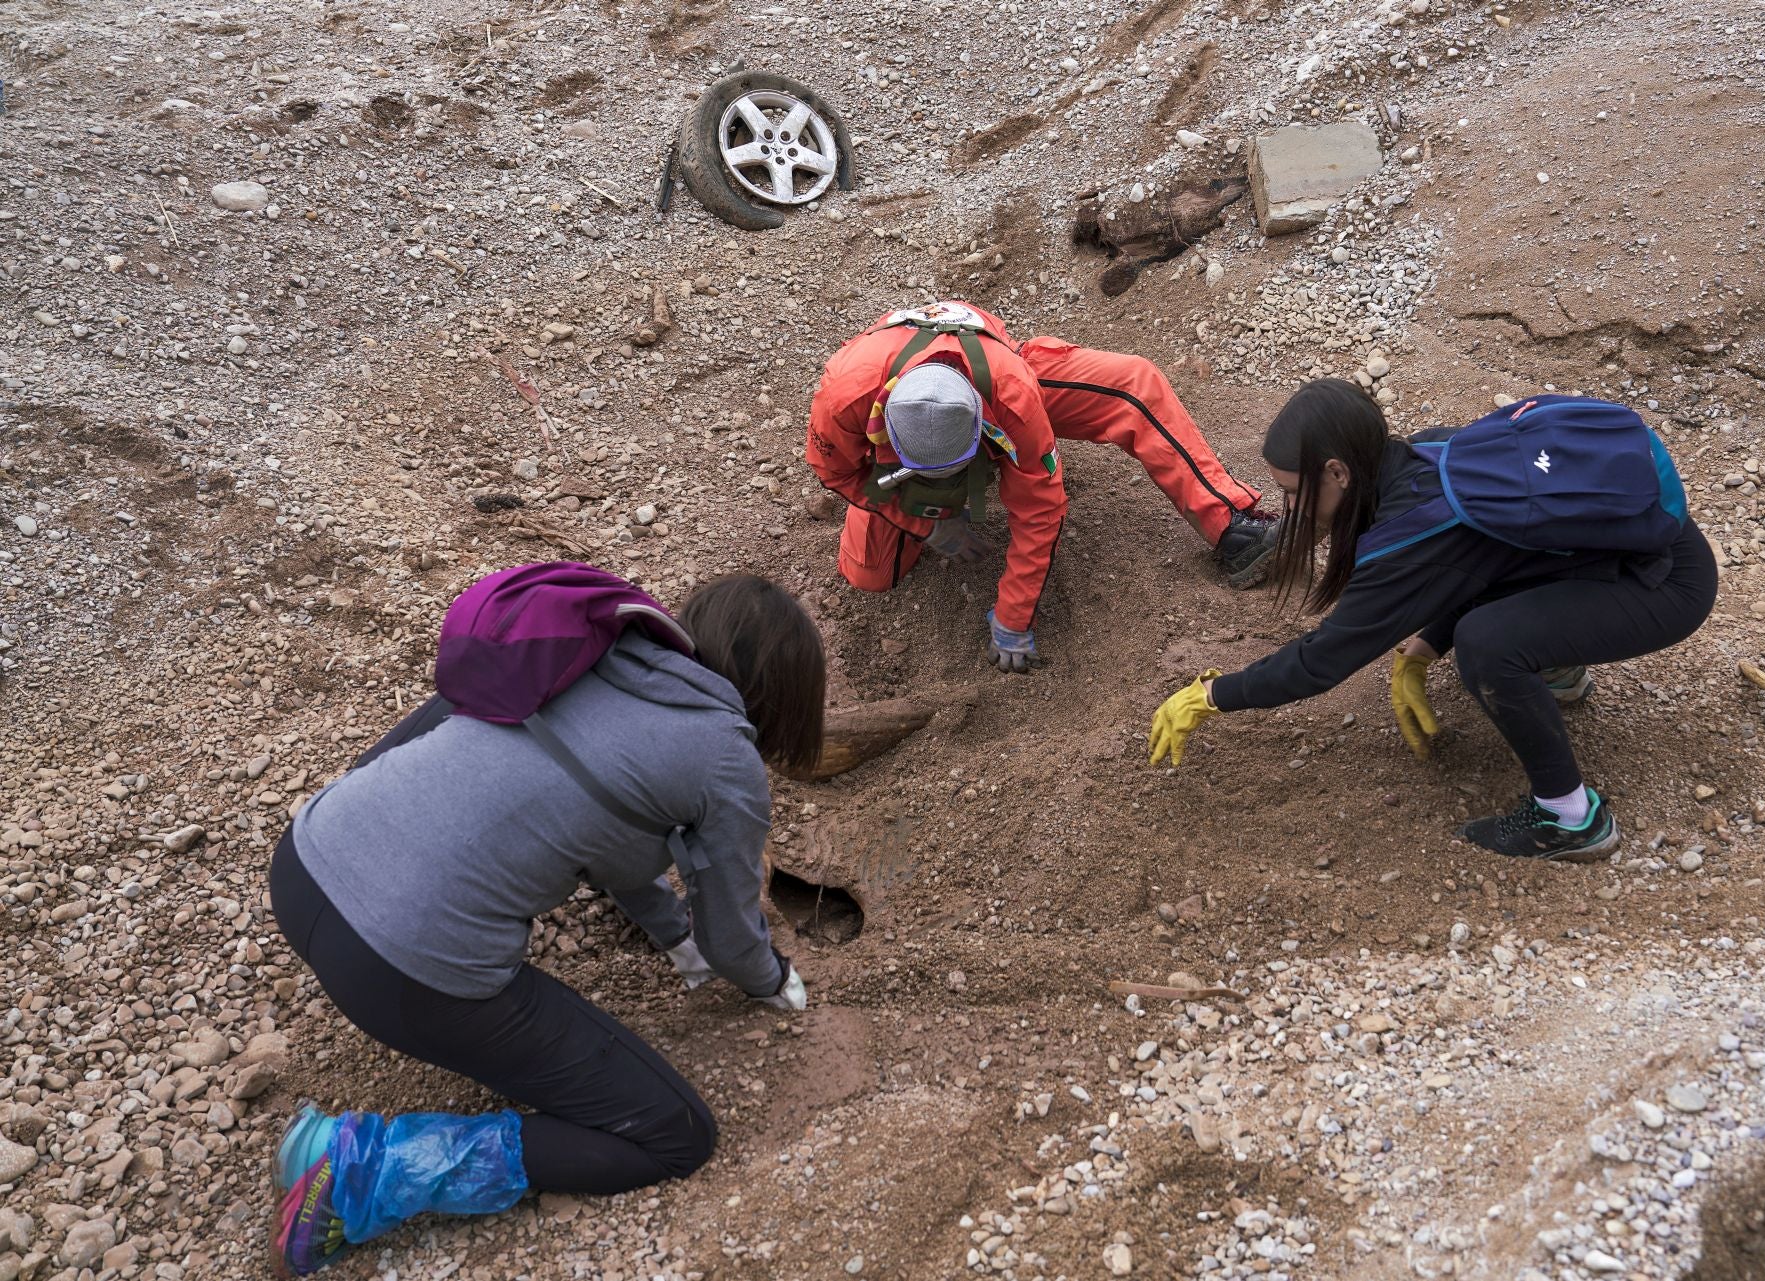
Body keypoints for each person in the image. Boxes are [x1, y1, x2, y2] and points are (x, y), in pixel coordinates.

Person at [268, 574, 824, 1274]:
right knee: (674, 1135)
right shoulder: (724, 757)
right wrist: (771, 978)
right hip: (396, 965)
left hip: (305, 860)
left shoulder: (578, 655)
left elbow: (608, 830)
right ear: (784, 696)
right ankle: (368, 1170)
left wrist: (671, 932)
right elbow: (732, 935)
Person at [1148, 380, 1717, 862]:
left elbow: (1321, 662)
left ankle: (1569, 819)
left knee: (1486, 645)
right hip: (1642, 547)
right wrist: (1424, 645)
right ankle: (1558, 669)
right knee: (1474, 627)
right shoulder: (1420, 454)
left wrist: (1212, 694)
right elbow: (1480, 559)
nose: (1289, 509)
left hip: (1663, 585)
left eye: (1292, 492)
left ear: (1338, 473)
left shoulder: (1408, 536)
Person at [806, 300, 1281, 673]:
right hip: (895, 417)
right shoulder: (843, 395)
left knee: (1134, 385)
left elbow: (1039, 509)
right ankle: (909, 498)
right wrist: (923, 524)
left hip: (995, 372)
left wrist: (1013, 617)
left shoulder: (1014, 396)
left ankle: (1229, 523)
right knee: (869, 574)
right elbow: (837, 471)